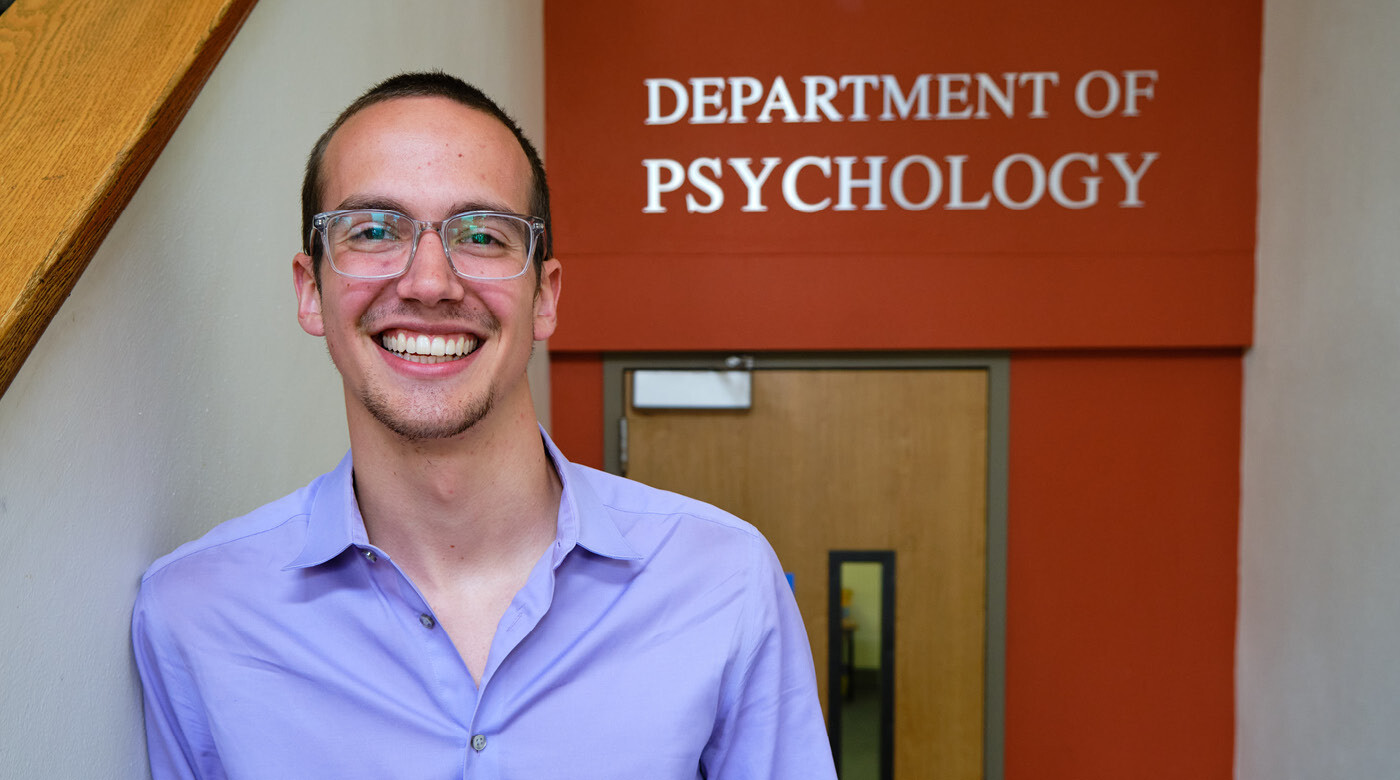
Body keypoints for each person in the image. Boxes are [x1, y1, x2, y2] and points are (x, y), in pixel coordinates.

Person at [132, 72, 836, 779]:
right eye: (374, 230)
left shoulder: (723, 580)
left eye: (483, 234)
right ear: (310, 291)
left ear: (545, 298)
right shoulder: (196, 614)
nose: (430, 282)